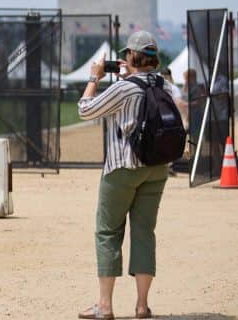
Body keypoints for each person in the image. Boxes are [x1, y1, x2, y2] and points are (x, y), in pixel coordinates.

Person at [77, 31, 180, 320]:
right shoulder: (165, 86)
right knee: (144, 232)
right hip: (157, 168)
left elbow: (85, 110)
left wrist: (95, 78)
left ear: (131, 57)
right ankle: (142, 305)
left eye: (125, 55)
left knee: (108, 232)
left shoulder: (124, 89)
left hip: (122, 167)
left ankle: (105, 306)